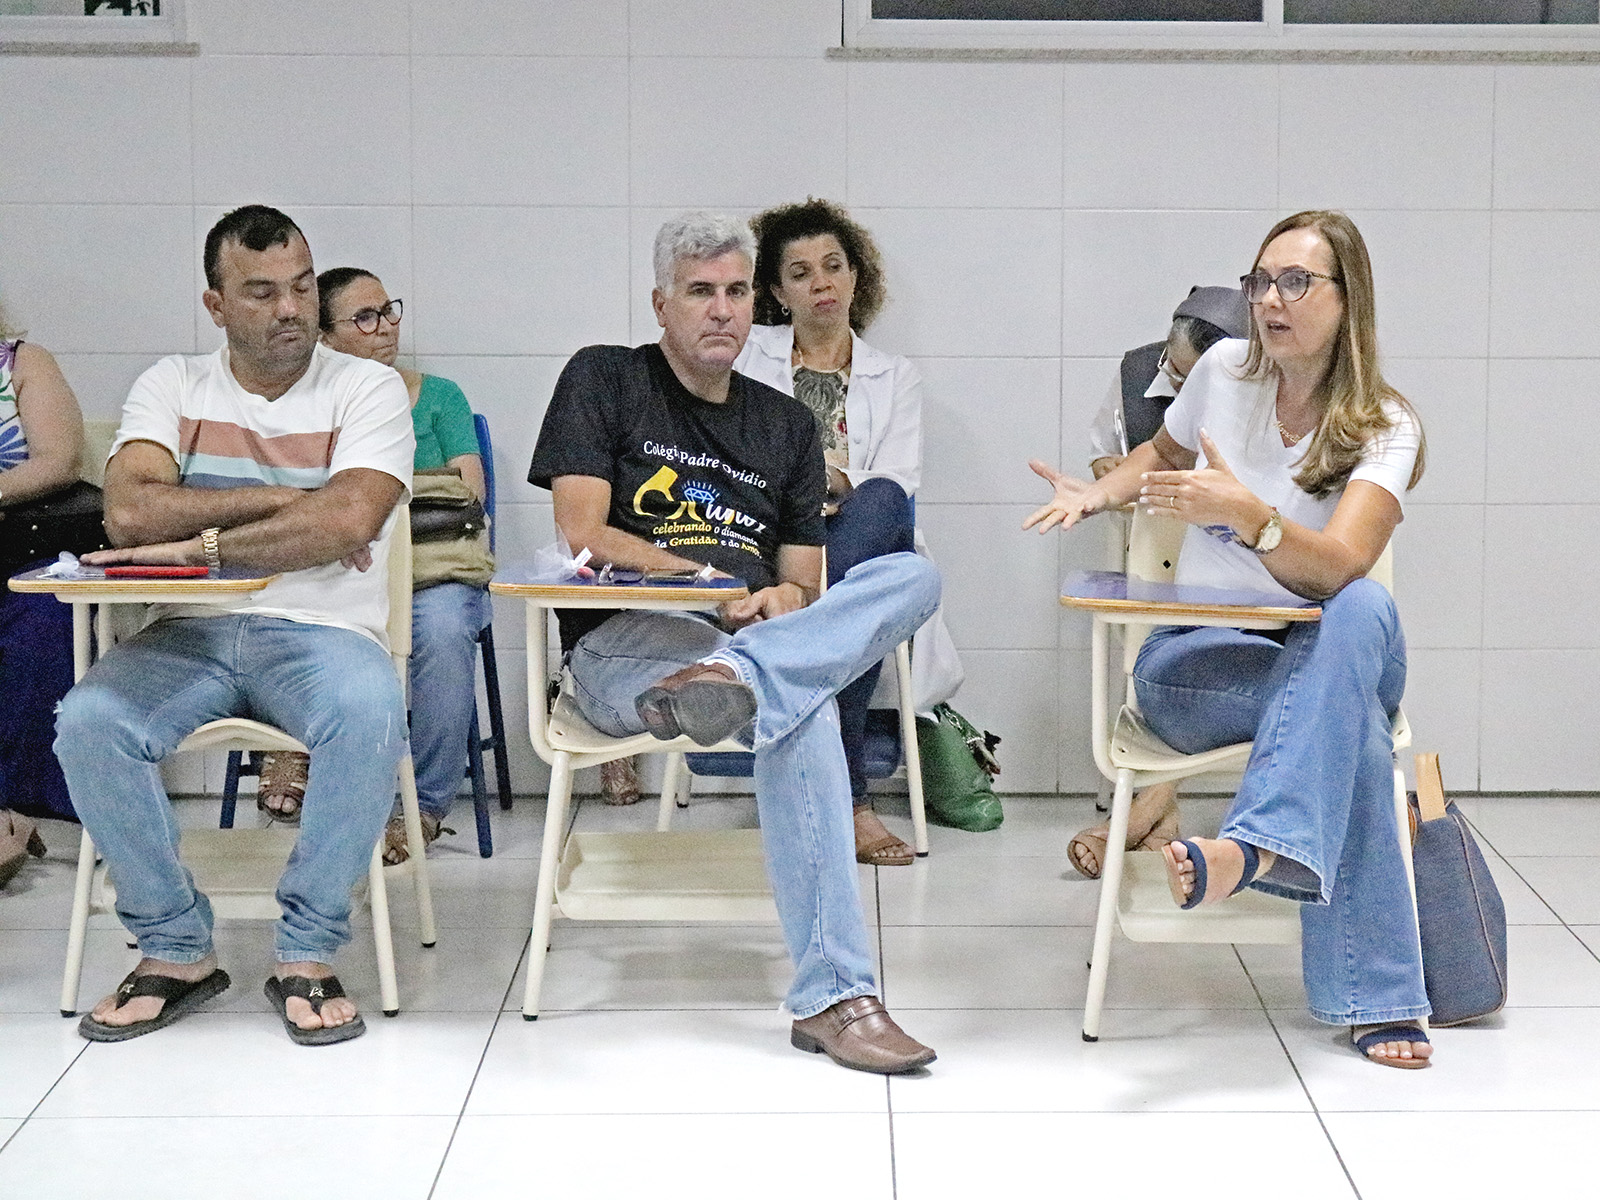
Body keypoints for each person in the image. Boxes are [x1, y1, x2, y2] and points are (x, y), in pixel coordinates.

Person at [527, 212, 940, 1075]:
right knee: (802, 707)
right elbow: (581, 532)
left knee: (912, 577)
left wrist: (781, 600)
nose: (722, 310)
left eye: (736, 292)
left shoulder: (785, 426)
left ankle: (737, 673)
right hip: (628, 647)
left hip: (742, 647)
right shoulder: (605, 377)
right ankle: (836, 999)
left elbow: (802, 585)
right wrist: (705, 582)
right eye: (699, 292)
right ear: (661, 304)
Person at [1026, 210, 1431, 1069]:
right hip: (1199, 662)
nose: (1270, 300)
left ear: (1348, 298)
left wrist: (1254, 520)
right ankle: (1377, 995)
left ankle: (1251, 847)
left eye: (1296, 282)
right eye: (1261, 281)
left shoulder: (1387, 424)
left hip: (1325, 642)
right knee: (1351, 730)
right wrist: (1097, 495)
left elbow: (1340, 566)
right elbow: (1160, 453)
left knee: (1359, 607)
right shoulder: (1221, 372)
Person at [53, 205, 414, 1046]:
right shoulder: (173, 384)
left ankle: (306, 951)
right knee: (89, 723)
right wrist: (291, 499)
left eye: (302, 288)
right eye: (262, 292)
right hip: (187, 631)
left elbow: (348, 521)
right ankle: (176, 948)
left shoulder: (366, 388)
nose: (291, 309)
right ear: (216, 305)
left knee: (370, 712)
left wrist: (200, 541)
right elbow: (130, 513)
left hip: (325, 633)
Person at [251, 266, 489, 866]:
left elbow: (470, 489)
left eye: (388, 311)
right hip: (336, 572)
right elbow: (280, 499)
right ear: (325, 336)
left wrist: (359, 498)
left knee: (442, 631)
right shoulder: (302, 404)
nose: (386, 326)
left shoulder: (440, 396)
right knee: (284, 615)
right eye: (364, 317)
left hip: (433, 570)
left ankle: (423, 806)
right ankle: (296, 749)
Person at [734, 197, 929, 868]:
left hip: (857, 530)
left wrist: (829, 478)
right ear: (775, 291)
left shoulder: (896, 376)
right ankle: (851, 800)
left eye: (833, 266)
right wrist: (798, 488)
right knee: (852, 610)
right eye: (800, 272)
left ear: (855, 276)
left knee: (880, 501)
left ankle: (800, 657)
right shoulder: (745, 360)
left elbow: (899, 477)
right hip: (770, 536)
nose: (821, 282)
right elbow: (733, 460)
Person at [1070, 284, 1251, 880]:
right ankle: (1159, 811)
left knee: (1206, 655)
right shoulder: (1136, 370)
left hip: (1230, 560)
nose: (1179, 384)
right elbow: (1112, 454)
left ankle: (1147, 809)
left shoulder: (1259, 395)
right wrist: (1110, 479)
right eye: (1174, 370)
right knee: (1145, 654)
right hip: (1145, 541)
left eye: (1193, 377)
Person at [0, 308, 87, 880]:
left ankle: (10, 807)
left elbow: (60, 461)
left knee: (44, 623)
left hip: (24, 551)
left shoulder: (22, 363)